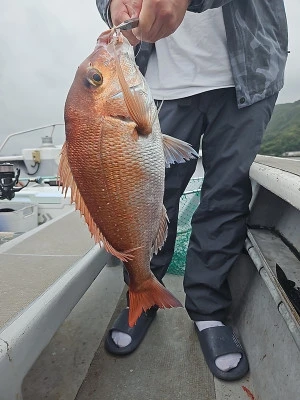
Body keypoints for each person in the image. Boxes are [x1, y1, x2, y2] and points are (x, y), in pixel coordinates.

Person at [96, 0, 288, 381]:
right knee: (147, 197)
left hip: (245, 79)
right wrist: (114, 5)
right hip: (159, 81)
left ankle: (209, 310)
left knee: (225, 197)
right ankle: (141, 293)